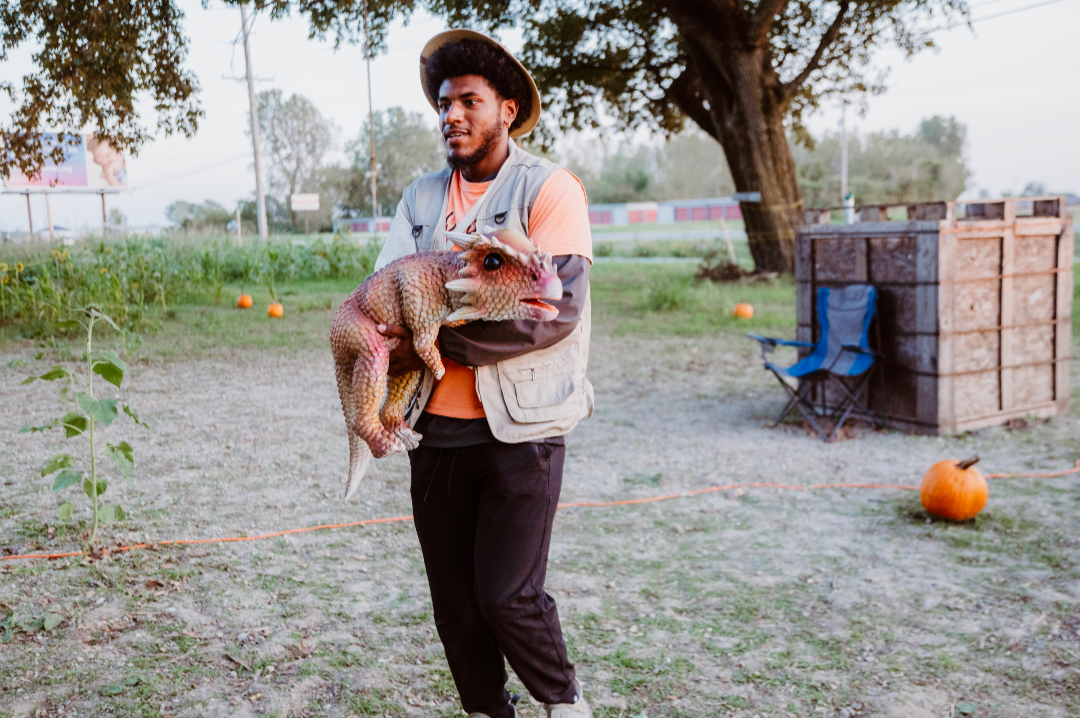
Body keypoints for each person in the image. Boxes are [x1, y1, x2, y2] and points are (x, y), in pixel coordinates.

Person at [372, 29, 594, 718]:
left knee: (509, 595)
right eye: (444, 103)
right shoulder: (419, 199)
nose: (453, 115)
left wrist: (433, 341)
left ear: (507, 109)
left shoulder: (547, 189)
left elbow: (554, 313)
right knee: (458, 605)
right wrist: (409, 342)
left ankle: (565, 706)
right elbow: (383, 297)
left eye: (470, 100)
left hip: (522, 431)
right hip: (435, 432)